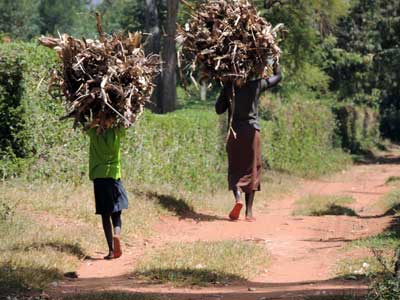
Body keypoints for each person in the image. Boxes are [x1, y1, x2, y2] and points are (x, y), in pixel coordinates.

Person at [215, 63, 282, 221]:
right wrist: (275, 62)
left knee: (235, 168)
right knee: (252, 168)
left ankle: (238, 197)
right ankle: (249, 212)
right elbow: (278, 77)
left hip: (234, 133)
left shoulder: (229, 87)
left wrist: (225, 90)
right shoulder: (256, 85)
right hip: (252, 133)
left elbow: (219, 109)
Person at [88, 117, 128, 259]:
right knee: (116, 212)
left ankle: (111, 250)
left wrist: (95, 121)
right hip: (113, 177)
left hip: (99, 178)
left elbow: (86, 126)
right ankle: (117, 234)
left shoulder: (94, 133)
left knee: (105, 215)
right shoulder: (116, 132)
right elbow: (126, 123)